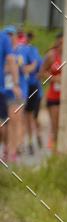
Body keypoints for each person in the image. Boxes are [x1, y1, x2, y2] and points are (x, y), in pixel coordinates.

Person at [0, 26, 22, 162]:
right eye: (8, 34)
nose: (10, 37)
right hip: (4, 90)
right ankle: (7, 149)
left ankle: (12, 151)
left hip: (15, 92)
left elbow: (28, 68)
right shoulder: (5, 47)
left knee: (14, 121)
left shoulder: (21, 51)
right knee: (5, 123)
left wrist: (16, 84)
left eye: (12, 34)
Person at [20, 32, 43, 154]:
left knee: (32, 117)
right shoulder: (18, 50)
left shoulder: (33, 51)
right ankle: (26, 143)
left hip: (34, 88)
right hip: (24, 88)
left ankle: (34, 137)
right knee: (25, 117)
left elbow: (37, 68)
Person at [40, 33, 63, 149]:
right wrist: (54, 78)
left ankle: (61, 147)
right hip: (53, 96)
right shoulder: (51, 55)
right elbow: (42, 73)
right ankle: (55, 148)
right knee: (55, 124)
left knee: (63, 125)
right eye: (60, 42)